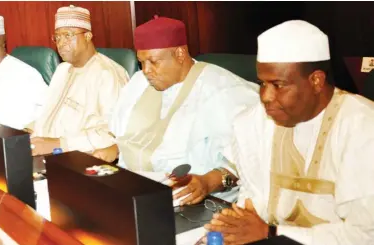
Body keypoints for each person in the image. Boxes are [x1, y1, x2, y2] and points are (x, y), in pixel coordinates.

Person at [205, 20, 374, 245]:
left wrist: (271, 233)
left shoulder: (362, 126)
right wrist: (236, 226)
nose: (265, 96)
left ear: (316, 80)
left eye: (278, 84)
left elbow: (365, 235)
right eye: (262, 83)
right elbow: (252, 197)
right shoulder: (254, 121)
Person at [106, 16, 259, 203]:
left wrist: (207, 182)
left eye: (153, 62)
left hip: (194, 202)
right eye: (141, 62)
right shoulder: (139, 82)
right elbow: (126, 137)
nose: (146, 70)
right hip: (131, 190)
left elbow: (248, 161)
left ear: (179, 54)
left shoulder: (223, 90)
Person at [30, 5, 129, 158]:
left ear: (88, 36)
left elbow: (113, 134)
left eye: (68, 35)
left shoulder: (108, 74)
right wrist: (27, 133)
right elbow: (47, 115)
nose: (61, 43)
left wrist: (60, 144)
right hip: (42, 155)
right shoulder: (62, 70)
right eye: (57, 37)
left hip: (77, 160)